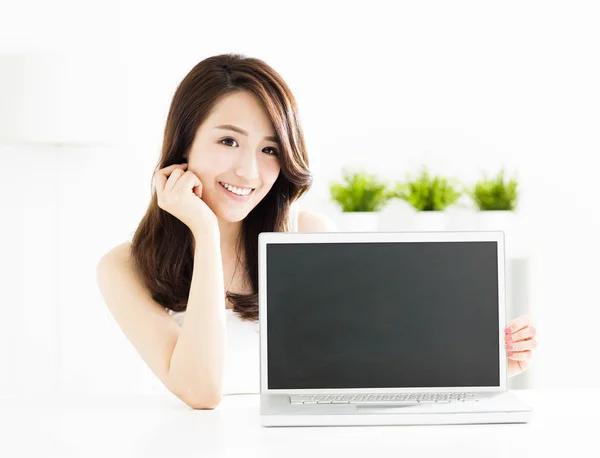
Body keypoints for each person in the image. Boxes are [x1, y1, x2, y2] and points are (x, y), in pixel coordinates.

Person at [96, 53, 537, 411]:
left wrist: (484, 366)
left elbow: (365, 377)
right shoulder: (126, 267)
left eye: (270, 149)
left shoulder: (307, 236)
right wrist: (205, 236)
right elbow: (201, 391)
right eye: (228, 141)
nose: (249, 170)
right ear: (183, 145)